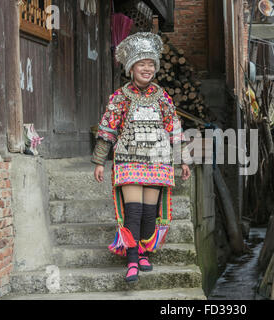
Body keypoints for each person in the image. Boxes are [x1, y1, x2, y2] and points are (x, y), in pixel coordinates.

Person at [91, 32, 191, 283]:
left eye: (150, 64)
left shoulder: (163, 98)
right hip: (128, 161)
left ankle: (145, 252)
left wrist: (183, 160)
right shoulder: (120, 98)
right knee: (132, 212)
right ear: (131, 68)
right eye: (141, 64)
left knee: (149, 212)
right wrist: (99, 162)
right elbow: (108, 130)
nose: (147, 69)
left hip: (158, 162)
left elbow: (174, 131)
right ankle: (132, 260)